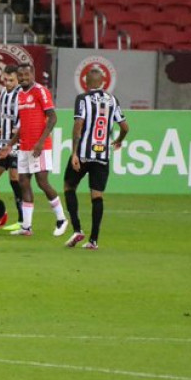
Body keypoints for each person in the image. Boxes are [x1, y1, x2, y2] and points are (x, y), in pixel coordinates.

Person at [63, 66, 129, 250]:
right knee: (97, 195)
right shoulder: (112, 100)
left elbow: (79, 124)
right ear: (102, 82)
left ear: (85, 82)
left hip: (84, 153)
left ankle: (77, 229)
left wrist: (74, 152)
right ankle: (93, 240)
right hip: (102, 155)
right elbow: (125, 127)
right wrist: (118, 141)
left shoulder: (83, 99)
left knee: (69, 186)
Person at [0, 61, 68, 237]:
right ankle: (27, 227)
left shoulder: (40, 91)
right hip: (25, 146)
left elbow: (52, 118)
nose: (23, 78)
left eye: (26, 75)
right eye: (20, 75)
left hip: (40, 147)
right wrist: (10, 145)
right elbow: (22, 125)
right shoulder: (20, 94)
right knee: (23, 182)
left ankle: (61, 219)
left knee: (42, 182)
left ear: (33, 74)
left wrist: (41, 142)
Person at [0, 64, 25, 231]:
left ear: (18, 79)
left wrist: (19, 128)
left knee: (15, 180)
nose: (7, 83)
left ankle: (23, 221)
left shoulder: (22, 94)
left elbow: (27, 115)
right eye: (5, 79)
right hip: (2, 143)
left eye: (11, 80)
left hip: (17, 144)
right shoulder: (3, 92)